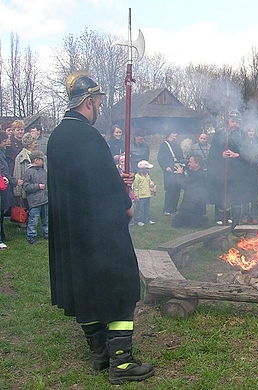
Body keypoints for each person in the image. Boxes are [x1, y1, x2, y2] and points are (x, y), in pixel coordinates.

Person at [47, 71, 154, 384]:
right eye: (99, 103)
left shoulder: (57, 137)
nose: (100, 108)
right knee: (123, 288)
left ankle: (99, 352)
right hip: (100, 230)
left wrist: (115, 181)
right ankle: (121, 363)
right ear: (89, 101)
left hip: (71, 231)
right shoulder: (89, 136)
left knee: (85, 288)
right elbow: (103, 188)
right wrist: (127, 203)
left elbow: (85, 180)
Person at [207, 109, 247, 225]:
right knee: (221, 193)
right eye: (232, 121)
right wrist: (221, 154)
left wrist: (236, 155)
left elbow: (248, 153)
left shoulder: (242, 136)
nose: (234, 124)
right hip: (221, 169)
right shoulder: (219, 134)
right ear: (228, 121)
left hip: (236, 171)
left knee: (232, 194)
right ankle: (219, 217)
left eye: (237, 122)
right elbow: (213, 152)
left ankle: (231, 216)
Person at [172, 155, 208, 228]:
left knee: (176, 223)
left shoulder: (197, 175)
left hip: (192, 205)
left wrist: (179, 174)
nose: (188, 164)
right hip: (197, 204)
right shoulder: (201, 173)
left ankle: (197, 221)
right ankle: (199, 220)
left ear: (197, 164)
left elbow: (183, 184)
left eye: (190, 162)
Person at [241, 123, 258, 224]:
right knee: (245, 195)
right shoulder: (243, 142)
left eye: (252, 131)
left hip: (256, 172)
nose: (251, 133)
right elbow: (241, 156)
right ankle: (245, 215)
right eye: (249, 131)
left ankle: (254, 215)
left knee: (255, 195)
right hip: (245, 172)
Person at [22, 150, 48, 244]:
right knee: (33, 219)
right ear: (36, 160)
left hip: (45, 199)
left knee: (46, 219)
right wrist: (38, 186)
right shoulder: (28, 172)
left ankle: (47, 233)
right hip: (34, 200)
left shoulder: (43, 170)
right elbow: (25, 186)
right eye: (42, 160)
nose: (43, 162)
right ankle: (31, 236)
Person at [13, 133, 39, 224]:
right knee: (26, 205)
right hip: (26, 187)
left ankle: (32, 224)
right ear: (29, 144)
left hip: (36, 186)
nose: (37, 144)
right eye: (35, 143)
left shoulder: (38, 155)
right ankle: (24, 221)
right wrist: (18, 191)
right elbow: (17, 174)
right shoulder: (20, 157)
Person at [157, 131, 184, 216]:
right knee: (170, 190)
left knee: (177, 189)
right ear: (169, 134)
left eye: (176, 133)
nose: (175, 135)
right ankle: (167, 209)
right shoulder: (164, 145)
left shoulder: (177, 145)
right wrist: (166, 167)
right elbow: (160, 158)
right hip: (169, 171)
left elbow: (180, 156)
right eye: (173, 133)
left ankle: (174, 208)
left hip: (177, 169)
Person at [132, 160, 157, 226]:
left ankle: (147, 219)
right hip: (141, 196)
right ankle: (138, 220)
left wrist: (152, 185)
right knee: (139, 209)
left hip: (147, 194)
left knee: (147, 208)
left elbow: (149, 182)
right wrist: (136, 196)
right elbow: (136, 187)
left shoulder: (147, 175)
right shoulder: (137, 176)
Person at [0, 131, 13, 248]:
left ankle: (2, 235)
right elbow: (3, 169)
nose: (6, 143)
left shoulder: (2, 152)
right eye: (4, 141)